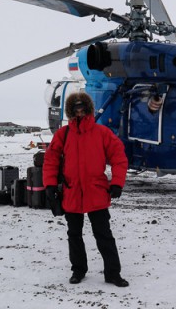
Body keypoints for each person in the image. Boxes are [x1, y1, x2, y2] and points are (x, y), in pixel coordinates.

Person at [43, 92, 129, 287]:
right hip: (71, 192)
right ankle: (78, 271)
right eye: (76, 109)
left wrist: (117, 182)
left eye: (83, 108)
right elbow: (50, 161)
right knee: (74, 235)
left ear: (88, 109)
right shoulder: (62, 134)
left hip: (96, 192)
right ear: (71, 112)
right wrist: (49, 185)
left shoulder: (102, 133)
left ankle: (113, 273)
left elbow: (119, 158)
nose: (79, 112)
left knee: (104, 234)